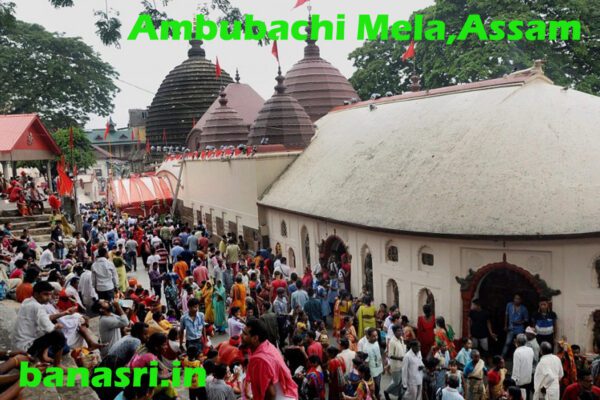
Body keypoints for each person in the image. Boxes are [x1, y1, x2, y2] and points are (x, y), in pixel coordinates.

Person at [12, 281, 67, 367]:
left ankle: (42, 356)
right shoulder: (38, 307)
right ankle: (58, 364)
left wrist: (64, 313)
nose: (48, 297)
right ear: (36, 294)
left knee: (45, 331)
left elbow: (45, 318)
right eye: (45, 294)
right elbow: (49, 328)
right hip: (26, 348)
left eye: (50, 294)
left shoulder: (27, 301)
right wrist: (57, 326)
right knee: (58, 335)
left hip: (19, 344)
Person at [242, 318, 299, 400]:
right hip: (288, 393)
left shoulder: (259, 360)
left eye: (245, 334)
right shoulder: (267, 345)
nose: (241, 336)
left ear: (255, 338)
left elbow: (270, 394)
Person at [385, 325, 406, 400]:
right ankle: (386, 392)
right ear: (394, 332)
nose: (400, 332)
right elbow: (390, 355)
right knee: (396, 382)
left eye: (401, 330)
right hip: (396, 365)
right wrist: (400, 358)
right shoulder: (392, 341)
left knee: (401, 382)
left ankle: (400, 397)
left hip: (402, 364)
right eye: (398, 331)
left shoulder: (401, 338)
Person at [512, 334, 534, 400]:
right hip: (528, 379)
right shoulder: (530, 350)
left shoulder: (517, 352)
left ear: (517, 342)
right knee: (527, 396)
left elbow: (516, 368)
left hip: (520, 381)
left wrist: (514, 380)